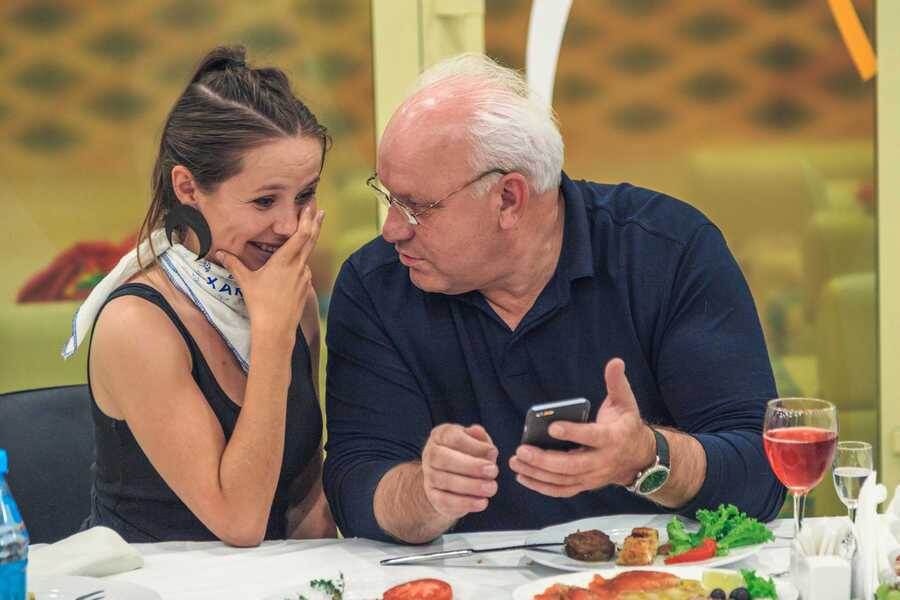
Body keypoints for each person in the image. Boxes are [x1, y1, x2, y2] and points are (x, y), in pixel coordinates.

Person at [323, 54, 786, 544]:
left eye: (415, 207)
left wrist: (646, 458)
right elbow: (355, 483)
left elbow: (762, 473)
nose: (392, 230)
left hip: (654, 572)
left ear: (509, 199)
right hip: (462, 577)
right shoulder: (377, 285)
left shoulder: (666, 251)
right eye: (388, 198)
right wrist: (425, 494)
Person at [63, 46, 334, 545]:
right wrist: (272, 335)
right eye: (264, 201)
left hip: (269, 577)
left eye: (305, 195)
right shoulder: (135, 324)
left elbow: (304, 487)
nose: (290, 225)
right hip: (148, 578)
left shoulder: (291, 297)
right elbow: (240, 521)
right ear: (188, 188)